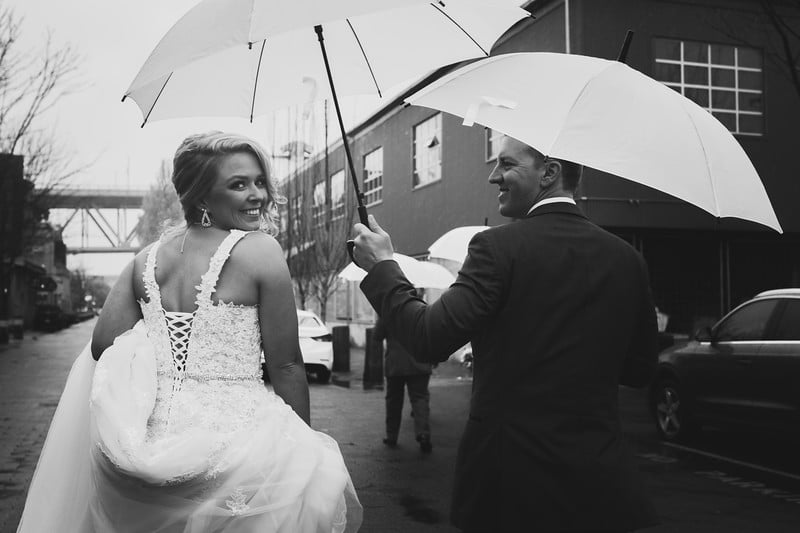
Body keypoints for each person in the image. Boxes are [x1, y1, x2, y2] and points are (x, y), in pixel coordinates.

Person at [18, 131, 362, 533]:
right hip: (236, 448)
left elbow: (102, 346)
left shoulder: (144, 261)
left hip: (143, 453)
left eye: (259, 181)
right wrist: (303, 450)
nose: (259, 194)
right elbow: (286, 364)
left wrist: (156, 352)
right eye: (239, 184)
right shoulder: (260, 251)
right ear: (201, 195)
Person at [352, 135, 659, 533]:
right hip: (601, 488)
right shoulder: (627, 259)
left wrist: (382, 266)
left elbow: (428, 337)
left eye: (507, 165)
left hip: (510, 487)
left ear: (549, 173)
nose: (494, 176)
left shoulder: (496, 249)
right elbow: (639, 370)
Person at [373, 314, 433, 453]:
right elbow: (433, 334)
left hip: (396, 365)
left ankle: (392, 436)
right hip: (420, 364)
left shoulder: (389, 311)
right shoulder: (423, 310)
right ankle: (423, 434)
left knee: (394, 401)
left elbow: (376, 336)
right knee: (420, 399)